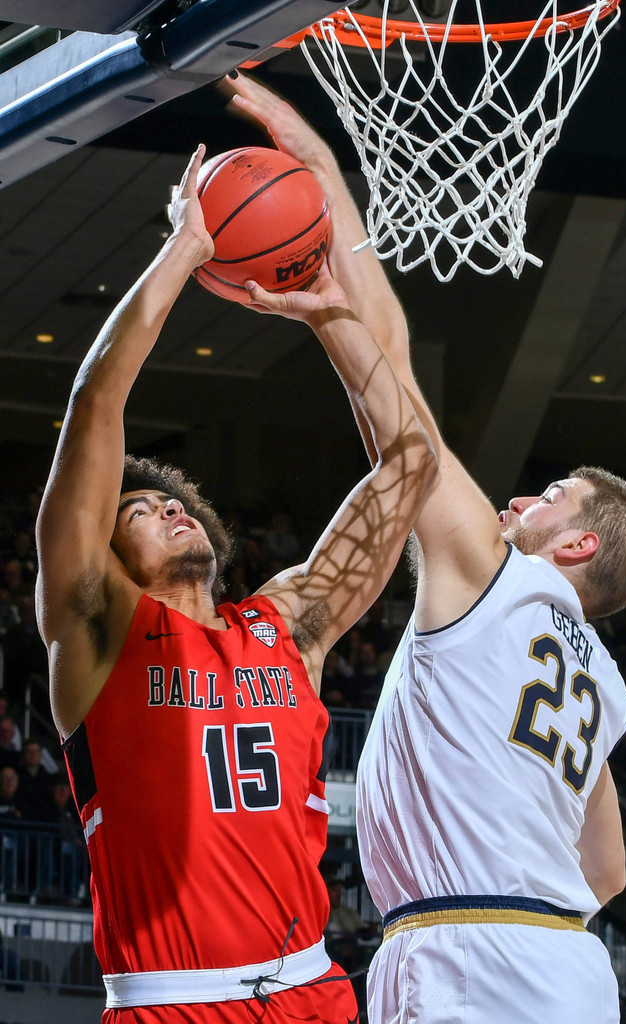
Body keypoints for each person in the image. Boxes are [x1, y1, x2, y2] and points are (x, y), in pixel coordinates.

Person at [228, 73, 626, 1024]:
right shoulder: (602, 687)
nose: (518, 499)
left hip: (469, 953)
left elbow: (404, 425)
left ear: (577, 543)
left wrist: (324, 288)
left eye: (550, 496)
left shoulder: (500, 580)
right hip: (566, 965)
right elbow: (605, 871)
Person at [34, 142, 436, 1024]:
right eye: (139, 511)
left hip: (311, 988)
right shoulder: (97, 631)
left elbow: (410, 465)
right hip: (176, 999)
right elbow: (96, 402)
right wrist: (186, 247)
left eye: (173, 502)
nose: (168, 508)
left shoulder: (286, 627)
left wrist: (330, 314)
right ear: (105, 555)